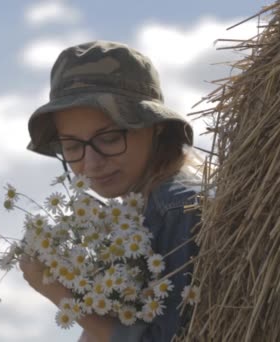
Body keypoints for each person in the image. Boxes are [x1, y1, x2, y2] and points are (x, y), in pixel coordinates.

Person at [20, 40, 202, 342]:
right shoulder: (142, 208)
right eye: (73, 146)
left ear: (155, 126)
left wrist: (59, 293)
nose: (91, 163)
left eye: (109, 138)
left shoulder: (178, 208)